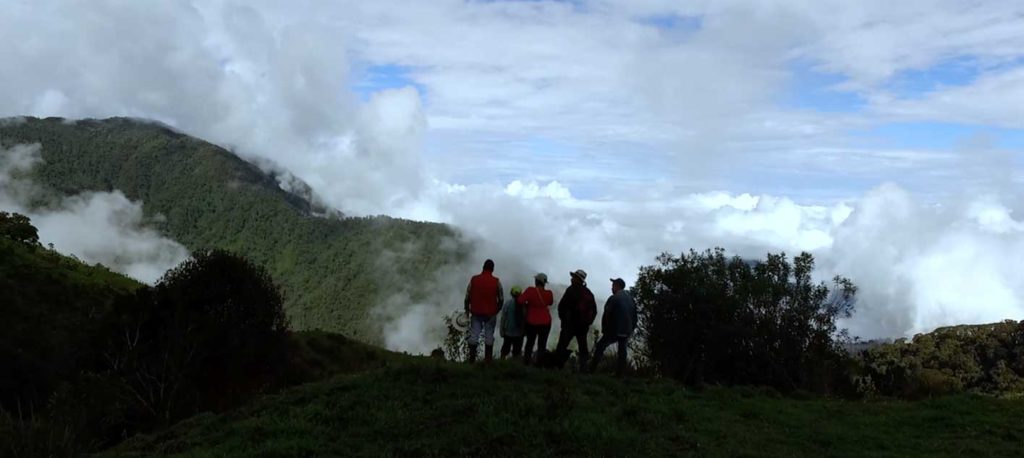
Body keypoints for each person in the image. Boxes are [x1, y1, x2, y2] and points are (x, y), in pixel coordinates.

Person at [588, 278, 637, 376]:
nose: (611, 288)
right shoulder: (630, 299)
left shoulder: (614, 298)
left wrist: (605, 329)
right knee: (622, 351)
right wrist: (631, 329)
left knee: (600, 347)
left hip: (614, 329)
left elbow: (607, 314)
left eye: (613, 285)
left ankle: (591, 370)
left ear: (617, 286)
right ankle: (620, 374)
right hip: (626, 330)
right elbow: (635, 316)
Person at [553, 269, 597, 371]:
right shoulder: (588, 293)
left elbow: (562, 306)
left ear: (578, 279)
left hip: (570, 324)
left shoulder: (571, 290)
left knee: (562, 345)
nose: (571, 278)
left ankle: (557, 366)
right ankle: (583, 368)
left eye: (574, 277)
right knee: (583, 347)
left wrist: (564, 320)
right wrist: (587, 323)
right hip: (582, 326)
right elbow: (594, 311)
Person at [464, 259, 504, 363]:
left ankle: (471, 361)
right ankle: (488, 361)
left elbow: (467, 296)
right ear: (492, 269)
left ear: (483, 267)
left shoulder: (474, 279)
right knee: (489, 336)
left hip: (476, 312)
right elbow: (501, 298)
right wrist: (496, 310)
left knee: (474, 336)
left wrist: (467, 311)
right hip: (490, 313)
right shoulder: (496, 281)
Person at [518, 273, 554, 365]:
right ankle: (540, 364)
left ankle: (526, 362)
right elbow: (550, 303)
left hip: (532, 321)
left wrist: (528, 305)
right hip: (546, 322)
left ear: (536, 281)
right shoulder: (549, 293)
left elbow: (520, 300)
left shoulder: (530, 291)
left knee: (530, 343)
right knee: (542, 345)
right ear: (544, 283)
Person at [499, 286, 525, 359]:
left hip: (508, 332)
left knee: (505, 349)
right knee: (517, 351)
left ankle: (501, 363)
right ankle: (515, 366)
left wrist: (502, 330)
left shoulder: (507, 304)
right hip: (519, 332)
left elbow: (503, 318)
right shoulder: (523, 304)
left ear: (511, 294)